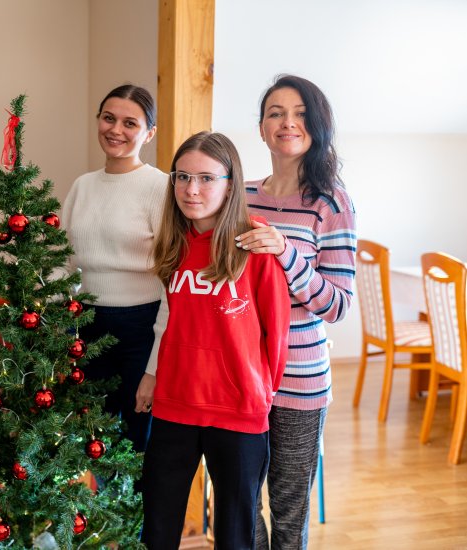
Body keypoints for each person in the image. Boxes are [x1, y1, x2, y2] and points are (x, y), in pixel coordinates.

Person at [137, 132, 290, 549]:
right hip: (175, 405)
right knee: (158, 528)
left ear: (230, 182)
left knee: (235, 535)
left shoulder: (255, 245)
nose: (191, 189)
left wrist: (261, 392)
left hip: (238, 410)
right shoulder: (172, 243)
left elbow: (276, 332)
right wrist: (153, 376)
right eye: (182, 176)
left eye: (206, 178)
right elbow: (168, 321)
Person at [235, 75, 357, 550]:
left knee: (288, 514)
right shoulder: (238, 196)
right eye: (276, 113)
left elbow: (337, 305)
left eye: (301, 113)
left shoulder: (331, 203)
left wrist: (286, 251)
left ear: (317, 125)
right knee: (240, 505)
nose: (288, 122)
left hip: (299, 381)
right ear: (262, 128)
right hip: (241, 377)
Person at [60, 84, 166, 453]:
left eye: (129, 123)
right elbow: (63, 262)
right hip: (87, 325)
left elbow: (171, 281)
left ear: (149, 133)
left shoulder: (160, 188)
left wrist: (153, 367)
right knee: (93, 442)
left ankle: (143, 513)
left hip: (143, 329)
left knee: (139, 443)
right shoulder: (82, 186)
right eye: (108, 118)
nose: (115, 130)